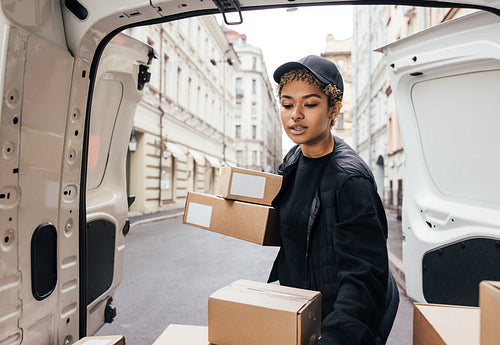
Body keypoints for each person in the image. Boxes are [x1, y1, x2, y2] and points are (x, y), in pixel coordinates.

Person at [268, 55, 399, 345]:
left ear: (334, 109)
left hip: (341, 324)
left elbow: (365, 276)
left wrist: (336, 336)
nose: (295, 115)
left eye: (310, 104)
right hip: (303, 311)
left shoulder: (350, 180)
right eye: (287, 104)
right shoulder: (293, 159)